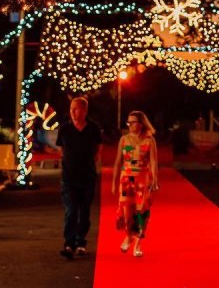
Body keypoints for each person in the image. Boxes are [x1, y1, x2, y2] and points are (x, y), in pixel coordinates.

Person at [56, 97, 102, 259]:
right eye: (71, 109)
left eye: (76, 109)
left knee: (84, 211)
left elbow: (98, 150)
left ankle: (81, 242)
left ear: (85, 110)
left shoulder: (93, 129)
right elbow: (61, 150)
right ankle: (69, 244)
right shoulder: (64, 129)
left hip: (88, 176)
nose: (73, 112)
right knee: (71, 210)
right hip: (69, 177)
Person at [112, 110, 159, 258]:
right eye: (129, 122)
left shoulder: (149, 140)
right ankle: (128, 236)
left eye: (133, 122)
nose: (130, 125)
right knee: (126, 211)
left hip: (143, 178)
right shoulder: (124, 140)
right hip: (126, 179)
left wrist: (155, 179)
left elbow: (153, 161)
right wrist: (114, 182)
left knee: (141, 212)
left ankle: (138, 243)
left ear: (141, 124)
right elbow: (118, 162)